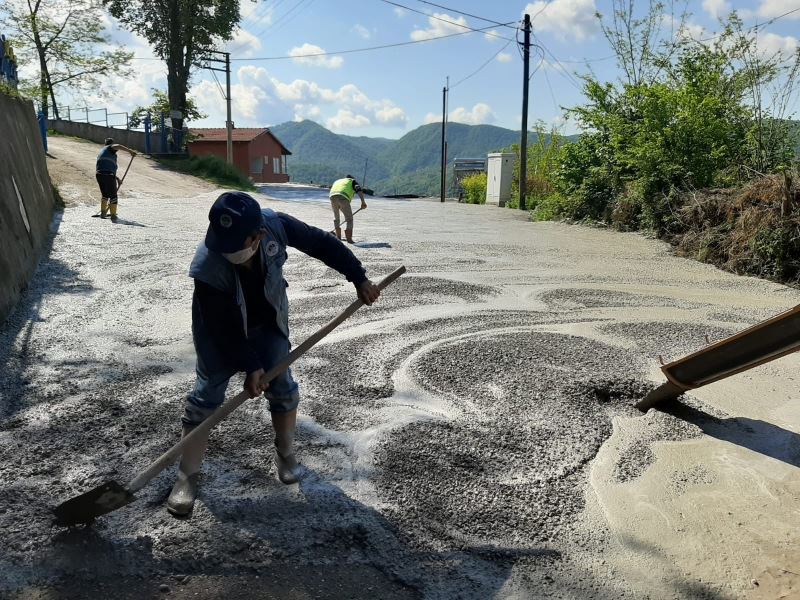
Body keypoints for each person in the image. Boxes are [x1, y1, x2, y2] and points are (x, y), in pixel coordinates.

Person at [167, 191, 381, 516]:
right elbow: (222, 328)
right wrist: (250, 366)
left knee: (283, 388)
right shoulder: (208, 265)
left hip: (269, 322)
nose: (225, 251)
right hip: (218, 332)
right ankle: (188, 474)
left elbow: (321, 243)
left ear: (258, 236)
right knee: (206, 395)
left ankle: (285, 452)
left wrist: (358, 276)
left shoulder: (275, 226)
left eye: (234, 245)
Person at [95, 137, 136, 219]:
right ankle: (113, 215)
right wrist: (130, 151)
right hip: (108, 175)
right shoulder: (110, 148)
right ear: (111, 144)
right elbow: (118, 145)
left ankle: (103, 213)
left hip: (99, 174)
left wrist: (117, 179)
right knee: (113, 196)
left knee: (105, 194)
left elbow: (105, 169)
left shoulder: (103, 152)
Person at [329, 174, 367, 243]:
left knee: (336, 218)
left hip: (332, 196)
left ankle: (338, 237)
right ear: (351, 178)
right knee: (349, 219)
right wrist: (363, 202)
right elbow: (358, 189)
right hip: (343, 197)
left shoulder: (338, 181)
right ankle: (349, 239)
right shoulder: (352, 181)